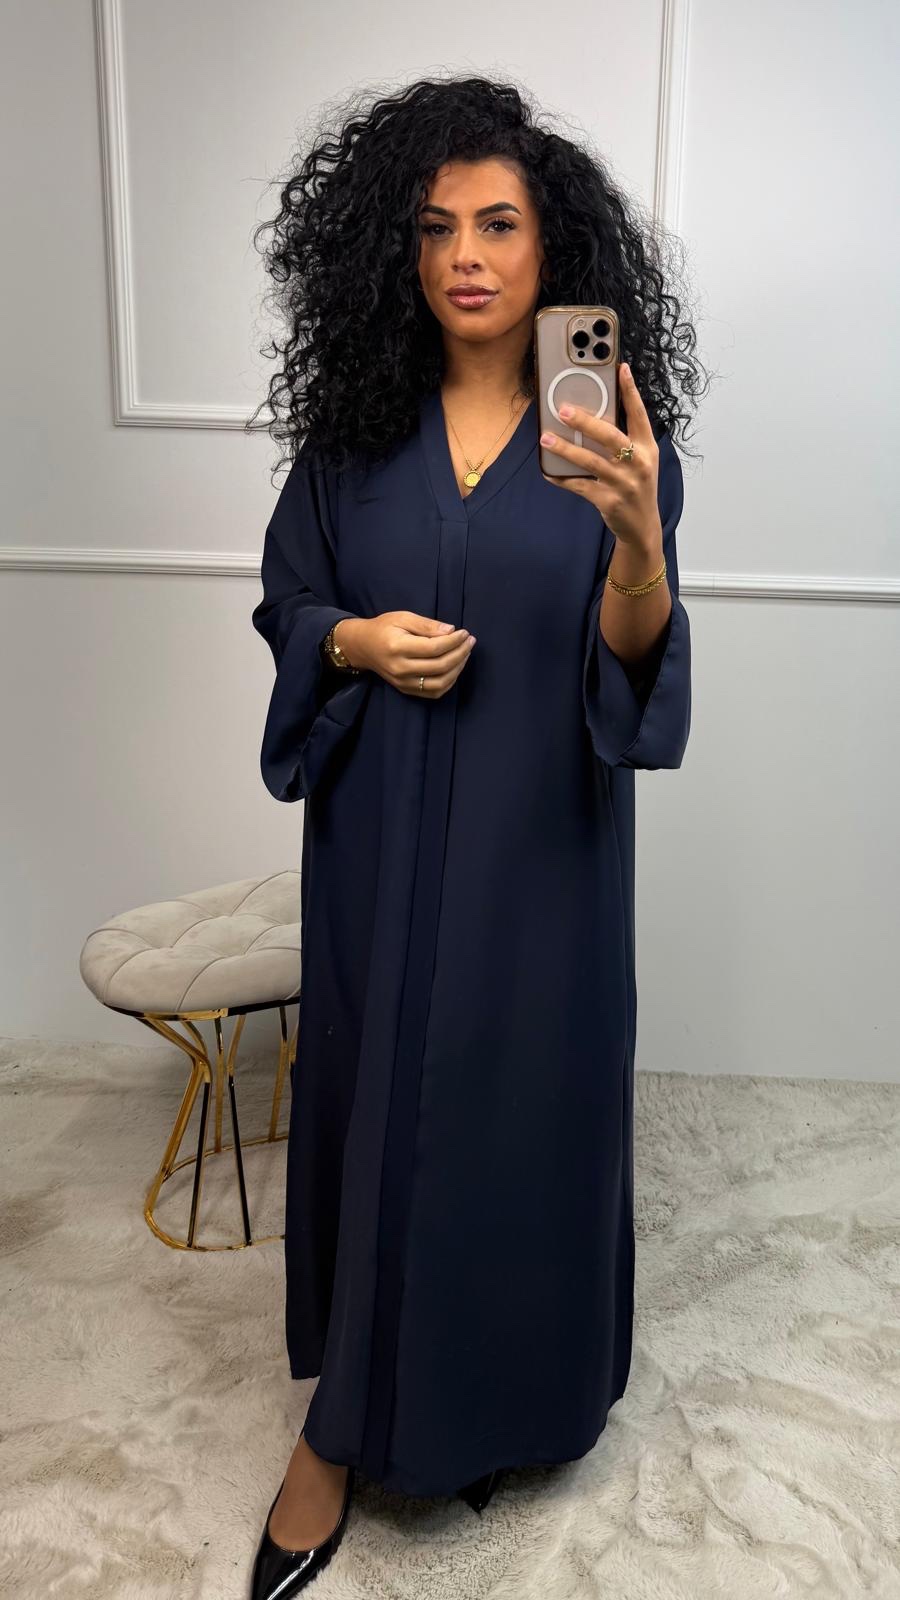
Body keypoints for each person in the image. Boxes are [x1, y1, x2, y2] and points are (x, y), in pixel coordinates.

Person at [246, 73, 705, 1599]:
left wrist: (638, 542)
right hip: (380, 846)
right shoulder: (351, 438)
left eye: (498, 224)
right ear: (398, 247)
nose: (467, 256)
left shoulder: (607, 438)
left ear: (549, 243)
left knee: (517, 1119)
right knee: (379, 1100)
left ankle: (502, 1398)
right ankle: (337, 1431)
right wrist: (355, 642)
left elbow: (630, 663)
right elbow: (290, 601)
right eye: (437, 227)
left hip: (539, 852)